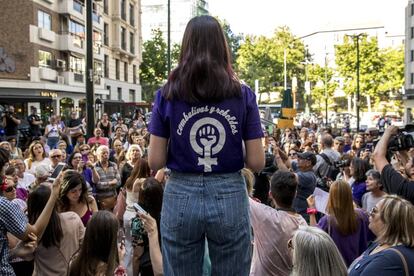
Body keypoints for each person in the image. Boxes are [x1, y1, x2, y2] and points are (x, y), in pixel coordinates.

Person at [148, 15, 265, 275]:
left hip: (180, 193)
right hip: (229, 193)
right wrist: (230, 148)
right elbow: (257, 162)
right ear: (222, 46)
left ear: (186, 47)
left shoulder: (166, 93)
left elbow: (154, 162)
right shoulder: (243, 94)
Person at [0, 147, 62, 275]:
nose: (3, 175)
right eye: (2, 169)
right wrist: (53, 195)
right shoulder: (3, 205)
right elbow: (34, 234)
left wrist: (14, 252)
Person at [249, 170, 307, 276]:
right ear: (295, 194)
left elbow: (242, 196)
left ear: (270, 194)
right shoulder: (303, 224)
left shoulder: (264, 215)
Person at [308, 180, 372, 266]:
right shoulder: (362, 215)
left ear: (331, 197)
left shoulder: (328, 221)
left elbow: (314, 237)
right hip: (358, 266)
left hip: (336, 268)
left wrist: (311, 210)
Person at [349, 195, 414, 275]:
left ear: (389, 221)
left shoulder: (389, 259)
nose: (370, 213)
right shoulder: (379, 244)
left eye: (374, 211)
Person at [27, 184, 85, 275]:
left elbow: (27, 256)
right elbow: (84, 244)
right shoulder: (73, 218)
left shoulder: (32, 232)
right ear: (56, 201)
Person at [68, 211, 126, 276]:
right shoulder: (111, 271)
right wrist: (121, 262)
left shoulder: (75, 262)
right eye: (117, 236)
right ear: (109, 241)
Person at [372, 125, 414, 204]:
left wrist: (388, 132)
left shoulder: (404, 189)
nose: (408, 159)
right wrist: (402, 151)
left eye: (410, 161)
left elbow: (378, 155)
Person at [132, 177, 164, 276]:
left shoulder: (139, 221)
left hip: (148, 266)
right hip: (168, 262)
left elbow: (137, 255)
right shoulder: (169, 215)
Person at [95, 145, 121, 210]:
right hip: (101, 200)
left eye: (107, 153)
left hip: (113, 198)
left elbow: (118, 182)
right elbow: (97, 185)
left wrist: (104, 184)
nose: (106, 155)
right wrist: (111, 183)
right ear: (98, 155)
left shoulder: (113, 165)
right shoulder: (94, 167)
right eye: (103, 153)